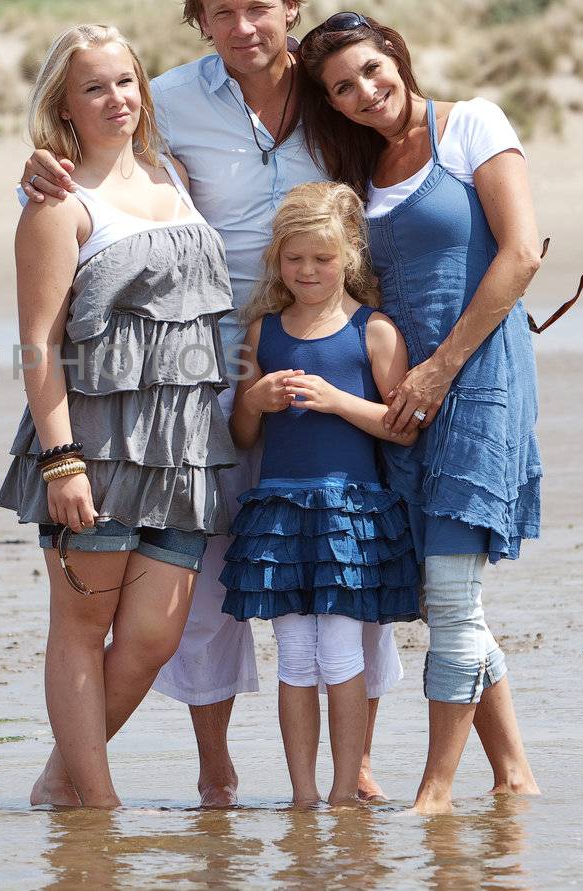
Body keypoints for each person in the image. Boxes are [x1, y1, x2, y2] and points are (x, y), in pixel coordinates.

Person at [21, 0, 400, 806]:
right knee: (206, 586)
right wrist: (37, 165)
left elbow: (404, 136)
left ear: (291, 7)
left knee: (351, 553)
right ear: (198, 21)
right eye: (221, 10)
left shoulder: (338, 92)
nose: (243, 25)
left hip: (327, 353)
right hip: (198, 383)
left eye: (258, 6)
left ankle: (357, 765)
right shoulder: (175, 102)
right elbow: (77, 197)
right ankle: (210, 767)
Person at [298, 11, 549, 814]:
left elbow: (523, 252)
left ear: (397, 55)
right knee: (453, 595)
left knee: (449, 597)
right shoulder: (360, 173)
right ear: (331, 104)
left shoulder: (472, 123)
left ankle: (435, 791)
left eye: (372, 69)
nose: (366, 92)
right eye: (343, 87)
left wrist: (443, 367)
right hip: (404, 396)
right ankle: (514, 775)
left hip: (478, 379)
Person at [0, 23, 237, 808]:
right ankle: (98, 810)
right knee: (81, 627)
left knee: (154, 636)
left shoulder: (175, 173)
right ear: (64, 105)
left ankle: (59, 782)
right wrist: (60, 459)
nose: (116, 99)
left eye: (126, 81)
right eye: (93, 86)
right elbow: (39, 343)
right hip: (94, 442)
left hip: (184, 443)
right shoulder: (58, 204)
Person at [223, 182, 422, 807]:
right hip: (279, 514)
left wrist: (337, 401)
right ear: (278, 260)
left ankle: (343, 791)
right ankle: (303, 794)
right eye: (294, 259)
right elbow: (243, 433)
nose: (308, 271)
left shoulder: (375, 330)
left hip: (350, 514)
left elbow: (403, 427)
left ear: (349, 258)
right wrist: (253, 400)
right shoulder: (263, 332)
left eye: (323, 258)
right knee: (293, 657)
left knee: (340, 651)